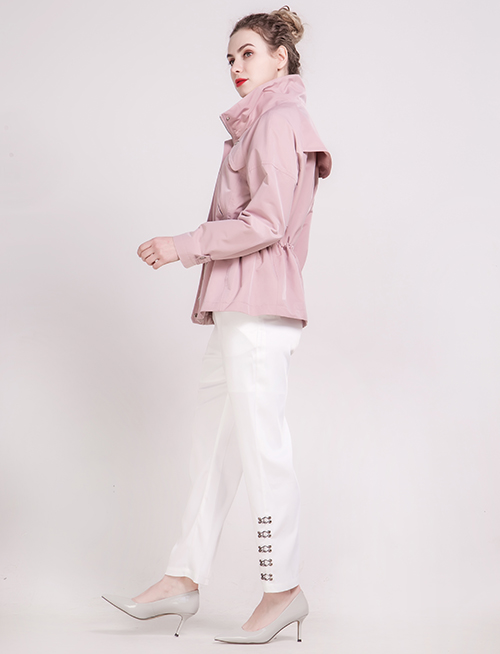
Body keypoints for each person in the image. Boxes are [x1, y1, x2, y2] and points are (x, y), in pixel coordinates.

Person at [102, 6, 331, 645]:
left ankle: (282, 589)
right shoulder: (258, 122)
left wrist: (184, 245)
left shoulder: (279, 121)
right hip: (239, 307)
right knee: (215, 449)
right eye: (230, 57)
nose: (236, 66)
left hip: (258, 310)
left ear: (281, 57)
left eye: (248, 53)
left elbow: (268, 223)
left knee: (262, 450)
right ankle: (182, 577)